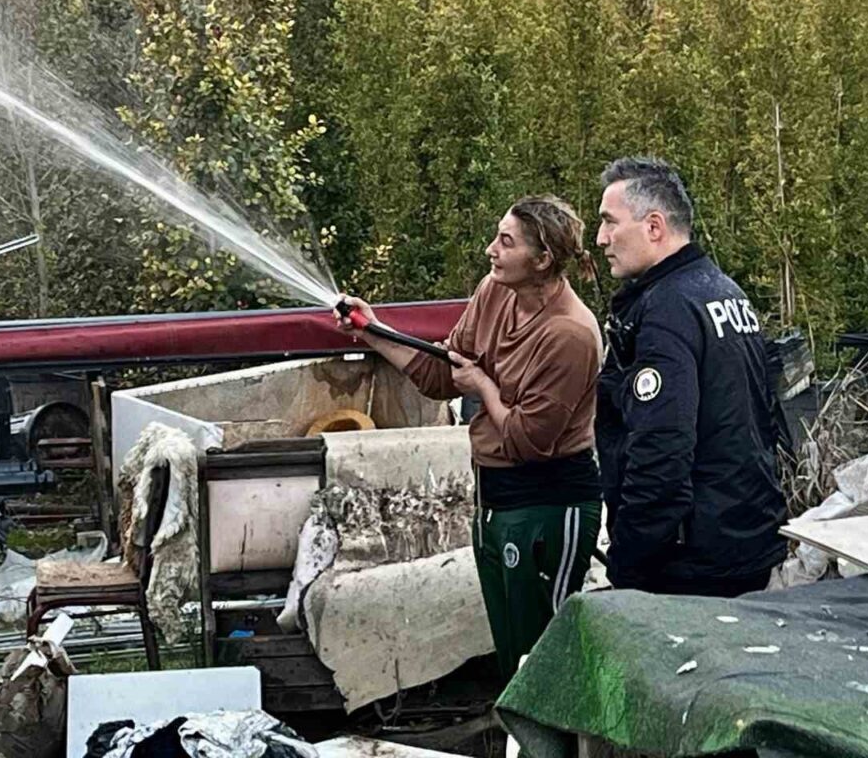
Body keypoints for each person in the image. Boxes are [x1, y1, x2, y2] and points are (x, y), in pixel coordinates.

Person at [335, 195, 602, 679]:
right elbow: (441, 375)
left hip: (549, 504)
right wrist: (373, 331)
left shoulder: (570, 334)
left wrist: (482, 386)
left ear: (542, 259)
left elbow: (527, 441)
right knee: (512, 654)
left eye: (506, 242)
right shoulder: (494, 291)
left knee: (545, 659)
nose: (490, 250)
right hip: (494, 499)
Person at [594, 156, 787, 597]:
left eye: (609, 222)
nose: (601, 238)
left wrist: (629, 563)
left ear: (654, 226)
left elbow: (661, 449)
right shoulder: (723, 291)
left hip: (690, 562)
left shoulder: (667, 309)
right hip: (745, 538)